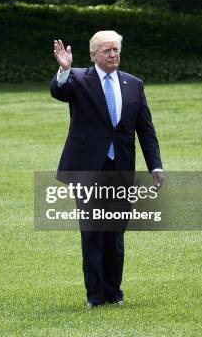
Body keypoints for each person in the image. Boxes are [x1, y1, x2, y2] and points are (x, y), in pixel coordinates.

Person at [50, 31, 164, 308]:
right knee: (92, 232)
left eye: (116, 50)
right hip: (87, 167)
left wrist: (155, 165)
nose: (113, 55)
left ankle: (114, 292)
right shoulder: (78, 79)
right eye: (106, 51)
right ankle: (95, 296)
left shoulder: (133, 84)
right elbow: (58, 91)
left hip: (121, 168)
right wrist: (64, 70)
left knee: (115, 231)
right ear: (93, 55)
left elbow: (145, 130)